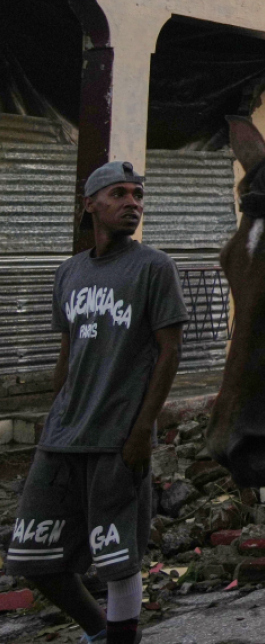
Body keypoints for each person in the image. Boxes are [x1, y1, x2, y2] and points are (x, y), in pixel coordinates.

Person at [4, 161, 186, 644]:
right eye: (120, 194)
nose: (133, 204)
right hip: (65, 434)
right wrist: (53, 413)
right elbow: (70, 349)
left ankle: (123, 637)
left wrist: (144, 428)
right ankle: (100, 631)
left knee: (116, 558)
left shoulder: (154, 267)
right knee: (31, 558)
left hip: (117, 435)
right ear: (90, 204)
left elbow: (170, 350)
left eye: (138, 195)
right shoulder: (69, 272)